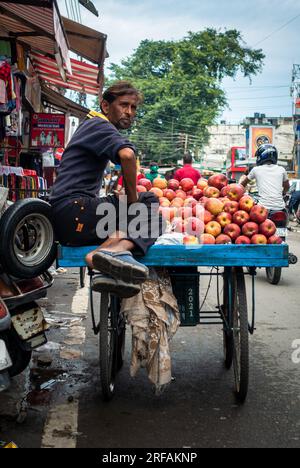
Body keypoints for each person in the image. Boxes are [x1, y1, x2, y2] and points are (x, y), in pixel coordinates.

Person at [50, 81, 163, 298]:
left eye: (133, 107)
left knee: (133, 219)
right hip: (75, 210)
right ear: (105, 105)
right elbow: (127, 155)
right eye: (124, 105)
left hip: (68, 219)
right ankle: (109, 252)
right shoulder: (99, 125)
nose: (129, 112)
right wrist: (132, 200)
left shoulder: (91, 126)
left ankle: (107, 255)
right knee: (149, 204)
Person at [241, 144, 290, 211]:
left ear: (261, 156)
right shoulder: (281, 169)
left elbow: (242, 184)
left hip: (263, 207)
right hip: (280, 207)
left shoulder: (256, 169)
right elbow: (287, 186)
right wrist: (283, 193)